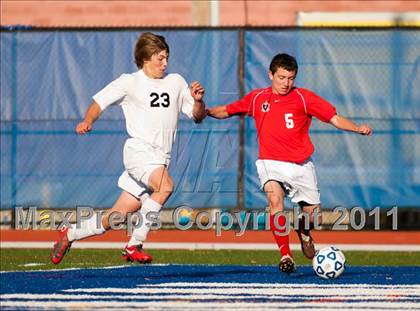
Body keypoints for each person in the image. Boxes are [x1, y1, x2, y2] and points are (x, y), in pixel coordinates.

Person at [207, 53, 372, 274]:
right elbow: (227, 110)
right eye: (282, 77)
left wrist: (356, 127)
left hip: (301, 165)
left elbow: (334, 118)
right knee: (275, 201)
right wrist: (204, 111)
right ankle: (286, 255)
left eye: (291, 78)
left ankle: (304, 232)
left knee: (314, 216)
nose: (286, 83)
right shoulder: (257, 98)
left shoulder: (304, 98)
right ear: (271, 74)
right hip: (270, 162)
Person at [50, 32, 206, 264]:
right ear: (145, 58)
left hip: (159, 159)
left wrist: (199, 101)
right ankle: (134, 244)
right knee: (166, 186)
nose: (165, 63)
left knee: (116, 217)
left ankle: (69, 234)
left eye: (166, 58)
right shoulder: (130, 81)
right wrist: (88, 120)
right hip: (139, 152)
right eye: (160, 58)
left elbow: (198, 117)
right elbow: (98, 102)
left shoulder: (176, 82)